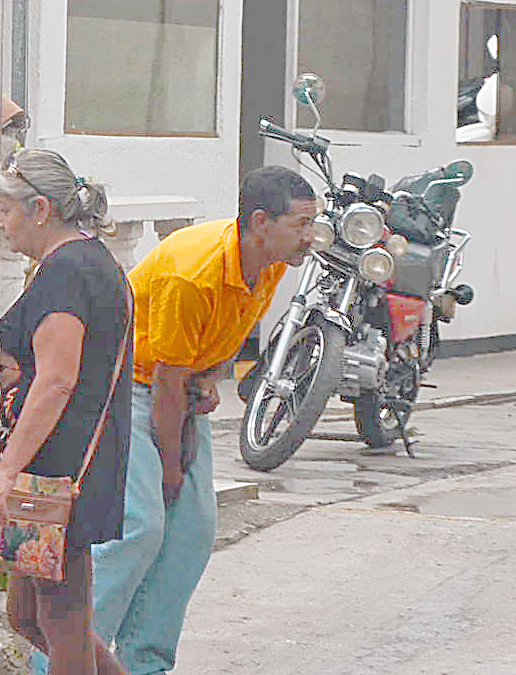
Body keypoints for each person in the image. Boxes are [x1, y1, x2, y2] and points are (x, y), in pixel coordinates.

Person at [49, 166, 318, 675]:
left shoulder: (274, 260)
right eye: (302, 224)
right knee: (139, 525)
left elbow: (220, 335)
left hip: (176, 387)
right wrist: (169, 467)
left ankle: (145, 662)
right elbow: (165, 384)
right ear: (261, 221)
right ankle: (68, 660)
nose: (310, 237)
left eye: (314, 224)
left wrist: (208, 378)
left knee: (193, 529)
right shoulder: (192, 271)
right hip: (124, 385)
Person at [0, 150, 135, 675]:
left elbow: (56, 380)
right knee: (27, 614)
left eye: (6, 209)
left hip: (58, 471)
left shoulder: (67, 271)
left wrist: (5, 472)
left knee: (61, 617)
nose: (1, 222)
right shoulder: (86, 261)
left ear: (41, 208)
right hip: (60, 464)